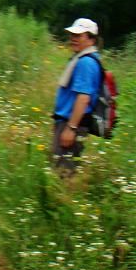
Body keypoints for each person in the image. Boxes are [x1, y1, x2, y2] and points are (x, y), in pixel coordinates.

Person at [52, 17, 103, 176]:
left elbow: (83, 98)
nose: (73, 39)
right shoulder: (84, 59)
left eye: (79, 35)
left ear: (91, 39)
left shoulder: (85, 63)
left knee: (63, 173)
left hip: (71, 124)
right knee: (64, 170)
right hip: (70, 123)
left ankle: (63, 199)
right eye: (72, 35)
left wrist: (71, 129)